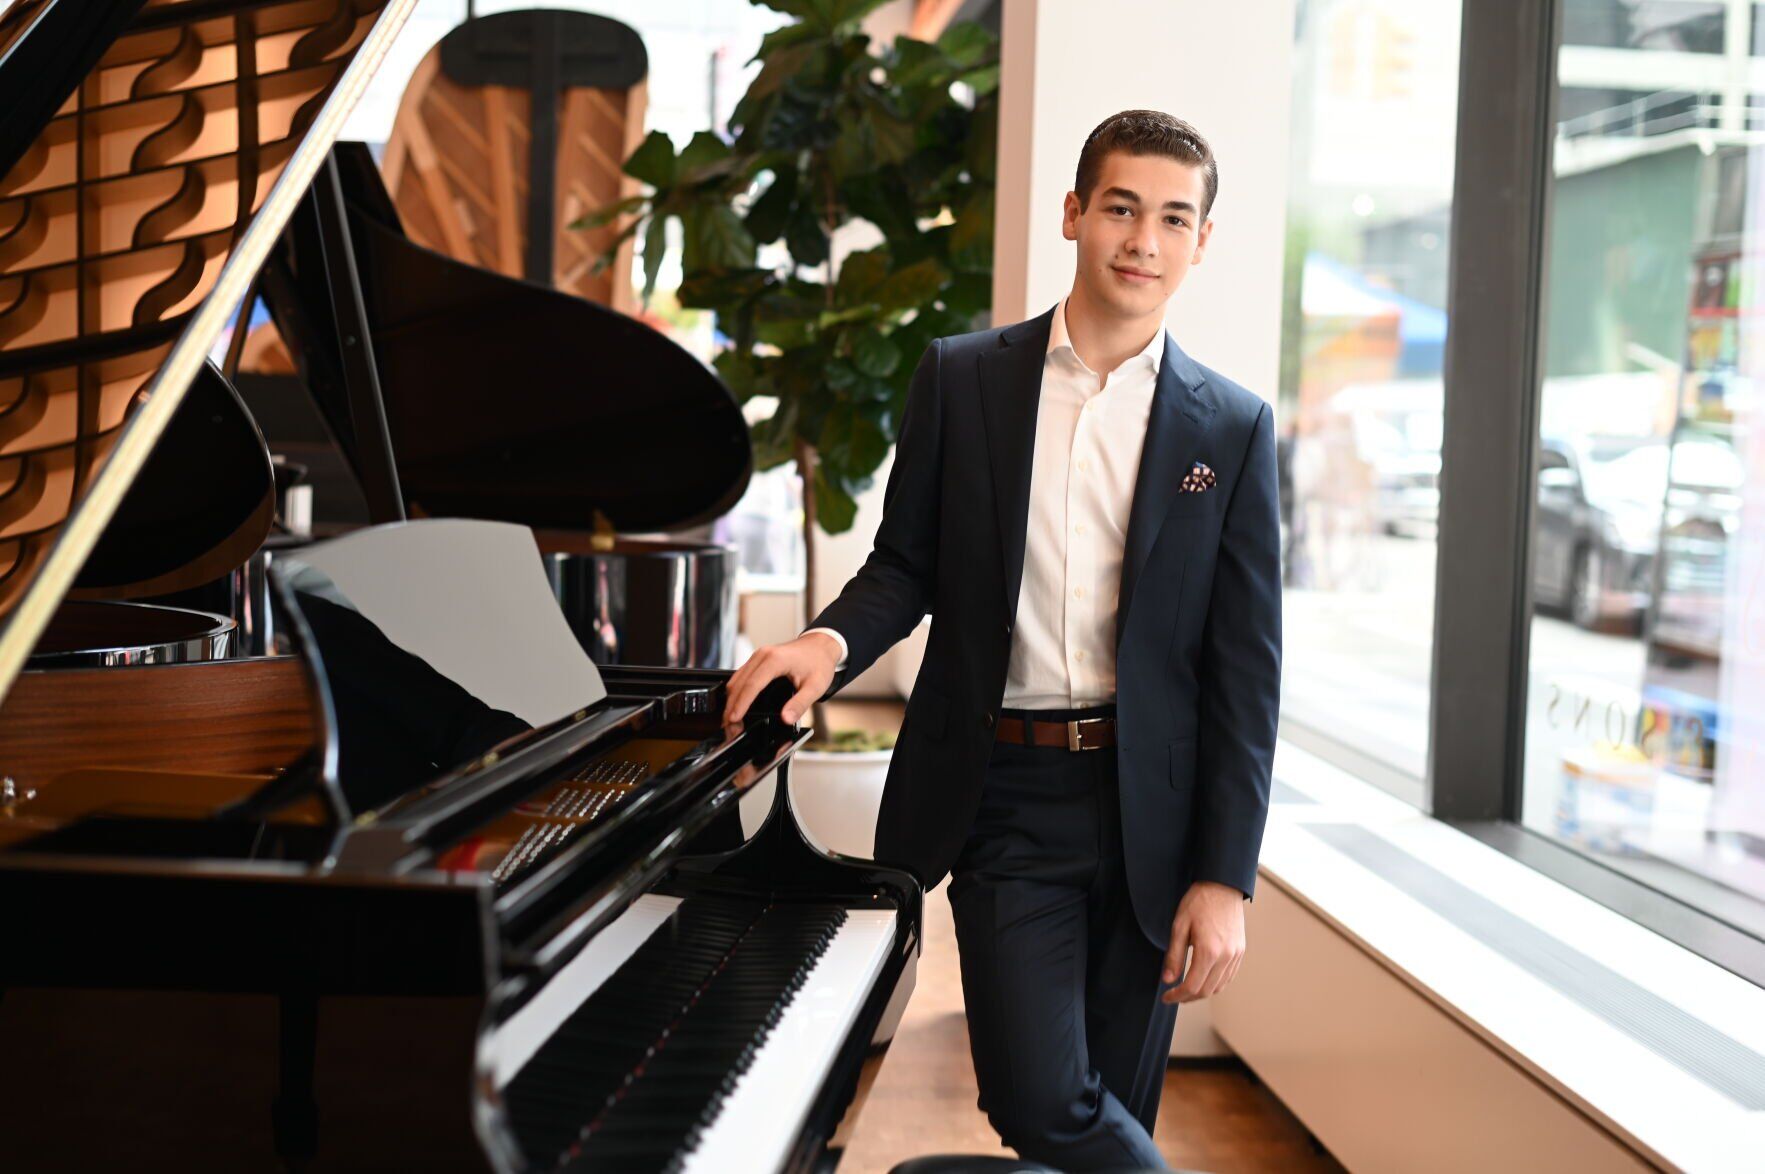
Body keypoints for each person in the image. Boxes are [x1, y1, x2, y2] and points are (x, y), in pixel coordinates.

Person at [724, 110, 1281, 1171]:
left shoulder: (1231, 428)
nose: (1142, 240)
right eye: (1120, 207)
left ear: (1202, 242)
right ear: (1074, 212)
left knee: (1111, 1110)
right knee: (1039, 1098)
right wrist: (826, 644)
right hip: (1007, 797)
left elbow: (1246, 673)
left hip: (1152, 810)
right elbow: (907, 563)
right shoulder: (965, 378)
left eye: (1173, 218)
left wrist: (1225, 875)